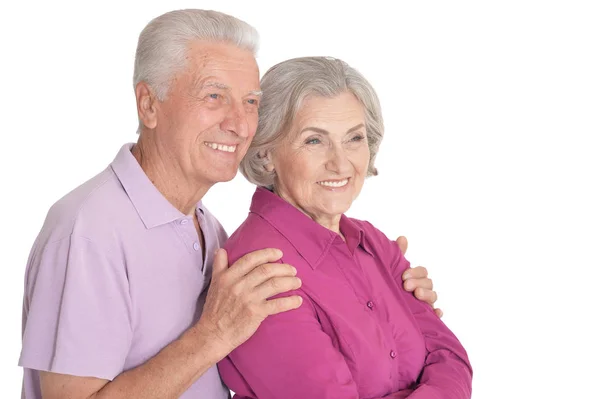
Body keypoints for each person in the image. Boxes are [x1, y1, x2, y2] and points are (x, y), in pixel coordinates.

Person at [18, 10, 440, 399]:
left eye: (250, 102)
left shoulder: (207, 228)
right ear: (149, 104)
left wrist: (387, 308)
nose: (239, 124)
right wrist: (213, 335)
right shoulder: (90, 231)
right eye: (214, 97)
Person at [218, 56, 472, 398]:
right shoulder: (260, 268)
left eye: (354, 138)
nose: (340, 163)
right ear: (266, 154)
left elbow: (453, 360)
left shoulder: (376, 244)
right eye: (314, 141)